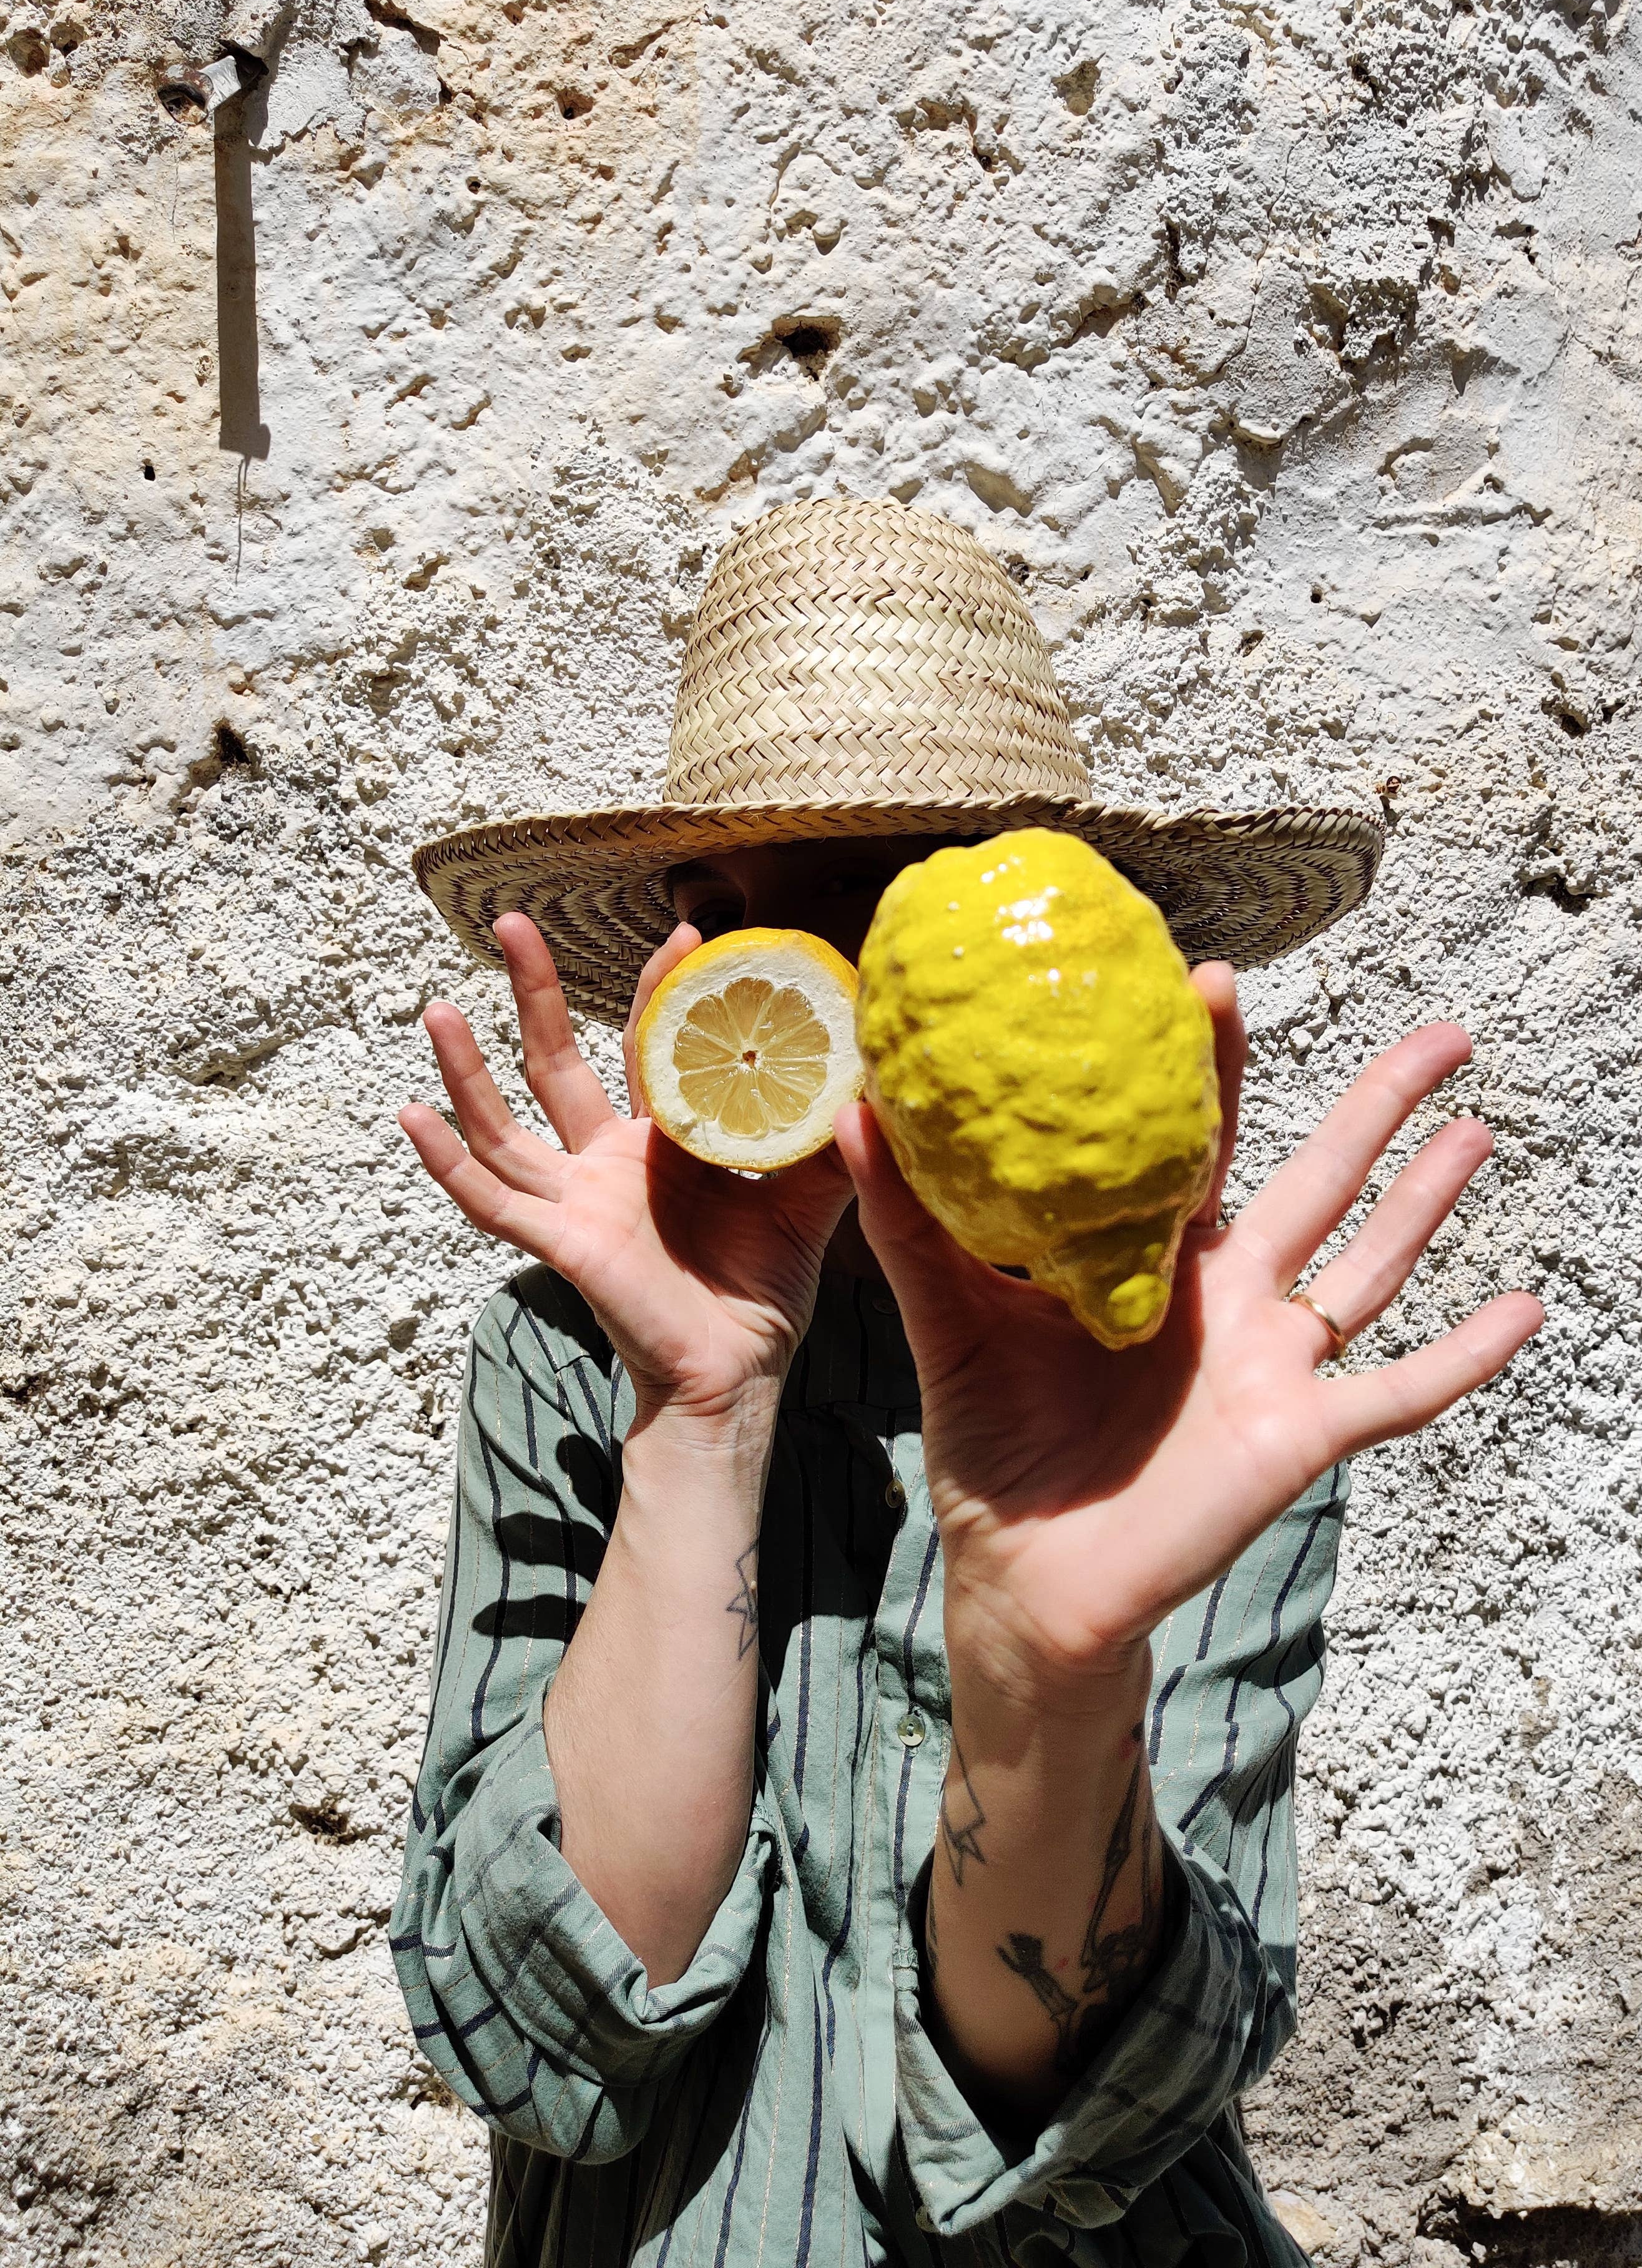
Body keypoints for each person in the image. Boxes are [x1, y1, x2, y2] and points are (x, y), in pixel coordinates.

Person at [390, 498, 1541, 2267]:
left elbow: (1093, 2108)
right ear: (710, 953)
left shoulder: (1195, 1398)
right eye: (776, 916)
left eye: (924, 898)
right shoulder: (564, 1359)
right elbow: (553, 2048)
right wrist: (700, 1415)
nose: (863, 1001)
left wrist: (1052, 1678)